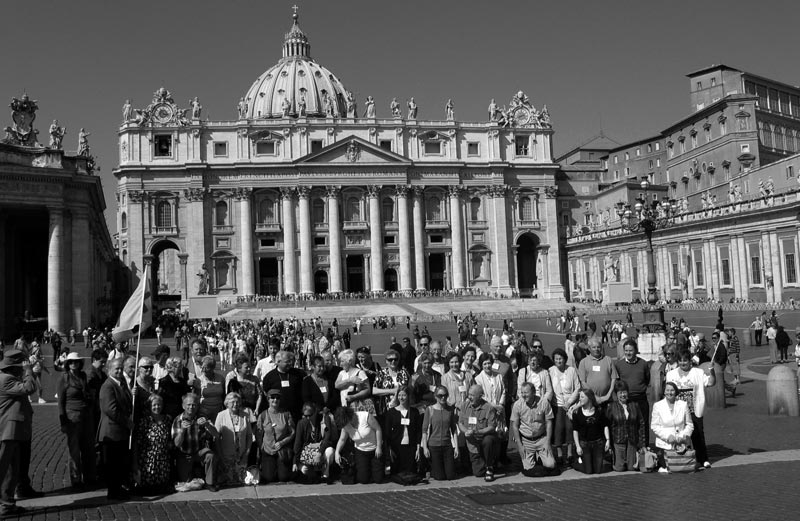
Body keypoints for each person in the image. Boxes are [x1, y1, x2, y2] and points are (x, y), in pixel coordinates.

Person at [0, 350, 37, 517]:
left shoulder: (9, 377)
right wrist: (29, 370)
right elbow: (29, 388)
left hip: (13, 432)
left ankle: (7, 504)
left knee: (12, 470)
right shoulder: (6, 379)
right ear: (15, 367)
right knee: (3, 468)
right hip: (7, 430)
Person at [667, 351, 716, 470]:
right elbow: (668, 391)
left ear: (690, 361)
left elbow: (711, 382)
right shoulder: (671, 374)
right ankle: (681, 459)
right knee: (680, 434)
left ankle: (702, 459)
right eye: (680, 360)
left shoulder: (698, 372)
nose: (683, 363)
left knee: (698, 433)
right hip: (678, 410)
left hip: (694, 409)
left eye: (685, 360)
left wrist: (712, 370)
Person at [56, 352, 96, 489]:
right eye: (72, 362)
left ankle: (90, 477)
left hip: (86, 415)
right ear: (68, 364)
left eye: (77, 361)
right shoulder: (64, 378)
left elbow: (87, 393)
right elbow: (61, 402)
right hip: (72, 416)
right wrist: (63, 422)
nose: (74, 364)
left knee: (88, 448)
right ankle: (76, 479)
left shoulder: (83, 376)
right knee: (74, 450)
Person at [98, 358, 133, 500]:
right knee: (112, 464)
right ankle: (113, 492)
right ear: (109, 370)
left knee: (119, 463)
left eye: (120, 368)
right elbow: (110, 410)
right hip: (111, 432)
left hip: (120, 431)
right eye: (116, 369)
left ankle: (118, 489)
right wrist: (127, 422)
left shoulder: (122, 383)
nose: (119, 371)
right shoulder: (108, 386)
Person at [172, 393, 219, 491]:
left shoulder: (202, 417)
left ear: (197, 406)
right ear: (183, 406)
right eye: (188, 404)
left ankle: (209, 483)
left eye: (194, 404)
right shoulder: (177, 420)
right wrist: (182, 431)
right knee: (186, 482)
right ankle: (195, 472)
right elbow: (177, 444)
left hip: (198, 452)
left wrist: (207, 425)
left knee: (210, 455)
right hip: (184, 454)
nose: (191, 407)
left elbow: (216, 435)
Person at [509, 382, 556, 477]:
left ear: (534, 392)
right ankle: (535, 457)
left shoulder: (544, 402)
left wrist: (547, 442)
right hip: (526, 440)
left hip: (541, 438)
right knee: (529, 469)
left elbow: (549, 422)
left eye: (526, 392)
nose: (523, 395)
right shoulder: (518, 405)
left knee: (551, 465)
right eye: (521, 392)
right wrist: (520, 446)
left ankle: (540, 456)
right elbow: (515, 426)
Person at [132, 394, 173, 494]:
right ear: (150, 406)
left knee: (162, 487)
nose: (157, 407)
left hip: (163, 458)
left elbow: (170, 437)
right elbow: (137, 442)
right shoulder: (144, 421)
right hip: (148, 458)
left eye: (159, 404)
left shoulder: (167, 419)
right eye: (154, 405)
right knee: (149, 488)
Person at [613, 339, 650, 445]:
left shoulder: (643, 363)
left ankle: (644, 448)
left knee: (643, 424)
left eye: (631, 350)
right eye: (626, 350)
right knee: (628, 424)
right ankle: (630, 450)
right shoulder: (619, 365)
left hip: (641, 398)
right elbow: (618, 382)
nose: (628, 353)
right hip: (627, 400)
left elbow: (647, 379)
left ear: (636, 351)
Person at [651, 382, 693, 473]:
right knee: (667, 469)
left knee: (681, 468)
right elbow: (654, 426)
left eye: (672, 390)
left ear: (676, 391)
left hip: (681, 444)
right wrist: (667, 437)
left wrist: (683, 436)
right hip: (665, 444)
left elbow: (689, 425)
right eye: (667, 390)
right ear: (664, 391)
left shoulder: (683, 405)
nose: (670, 393)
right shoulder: (657, 406)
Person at [334, 406, 384, 484]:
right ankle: (367, 470)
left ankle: (375, 469)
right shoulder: (345, 426)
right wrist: (337, 452)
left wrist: (379, 447)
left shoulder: (365, 416)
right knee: (363, 480)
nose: (346, 425)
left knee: (379, 479)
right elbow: (342, 439)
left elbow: (378, 429)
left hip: (375, 449)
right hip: (361, 451)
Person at [459, 385, 500, 481]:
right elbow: (460, 423)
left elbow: (492, 427)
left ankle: (490, 466)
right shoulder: (464, 405)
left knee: (488, 440)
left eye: (472, 395)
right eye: (469, 394)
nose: (469, 397)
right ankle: (484, 463)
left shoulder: (489, 408)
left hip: (484, 439)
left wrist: (478, 432)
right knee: (478, 473)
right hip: (472, 443)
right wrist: (466, 431)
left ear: (480, 396)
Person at [548, 348, 580, 469]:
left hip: (570, 404)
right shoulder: (550, 371)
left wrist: (570, 402)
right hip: (557, 404)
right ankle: (560, 455)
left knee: (570, 427)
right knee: (558, 429)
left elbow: (577, 387)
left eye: (560, 358)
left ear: (565, 359)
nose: (558, 361)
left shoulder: (571, 370)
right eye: (556, 359)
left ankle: (570, 454)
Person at [257, 388, 295, 483]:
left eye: (277, 398)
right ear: (268, 399)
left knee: (283, 478)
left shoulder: (286, 414)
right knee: (269, 478)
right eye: (272, 397)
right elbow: (258, 433)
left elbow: (292, 432)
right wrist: (262, 447)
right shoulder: (262, 415)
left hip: (282, 451)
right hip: (268, 450)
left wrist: (282, 442)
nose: (275, 400)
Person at [605, 381, 646, 472]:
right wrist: (609, 443)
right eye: (620, 393)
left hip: (632, 440)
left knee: (632, 468)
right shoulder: (611, 407)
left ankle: (632, 457)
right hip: (618, 440)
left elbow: (641, 423)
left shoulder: (634, 405)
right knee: (619, 469)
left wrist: (642, 443)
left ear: (628, 392)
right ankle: (614, 459)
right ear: (616, 394)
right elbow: (607, 425)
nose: (623, 395)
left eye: (624, 392)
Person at [215, 392, 254, 484]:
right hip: (226, 457)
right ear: (227, 403)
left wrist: (246, 453)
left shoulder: (245, 415)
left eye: (237, 402)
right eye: (232, 402)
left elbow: (249, 436)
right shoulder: (221, 415)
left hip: (241, 456)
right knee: (228, 483)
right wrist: (221, 456)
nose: (235, 404)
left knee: (242, 482)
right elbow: (216, 437)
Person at [293, 401, 337, 483]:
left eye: (310, 415)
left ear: (315, 412)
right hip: (309, 453)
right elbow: (298, 443)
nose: (308, 418)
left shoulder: (325, 419)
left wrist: (320, 452)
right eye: (305, 416)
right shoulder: (301, 423)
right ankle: (314, 471)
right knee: (304, 471)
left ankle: (325, 474)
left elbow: (327, 438)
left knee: (330, 451)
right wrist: (295, 462)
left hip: (321, 451)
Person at [385, 386, 423, 476]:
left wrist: (418, 447)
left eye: (404, 395)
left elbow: (418, 430)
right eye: (399, 395)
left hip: (411, 447)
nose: (401, 398)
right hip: (396, 448)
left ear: (408, 396)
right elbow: (387, 432)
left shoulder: (414, 412)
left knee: (411, 475)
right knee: (398, 475)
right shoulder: (391, 412)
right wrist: (389, 448)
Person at [571, 388, 610, 475]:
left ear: (589, 398)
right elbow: (575, 431)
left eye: (582, 397)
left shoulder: (599, 410)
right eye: (579, 397)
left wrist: (608, 440)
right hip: (585, 443)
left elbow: (605, 426)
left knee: (598, 471)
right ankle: (577, 462)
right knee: (588, 471)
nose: (580, 399)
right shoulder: (577, 412)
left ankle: (593, 461)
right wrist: (578, 446)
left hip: (598, 442)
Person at [263, 351, 306, 424]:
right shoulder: (269, 377)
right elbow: (266, 394)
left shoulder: (299, 374)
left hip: (296, 413)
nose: (290, 363)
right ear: (278, 362)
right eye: (287, 362)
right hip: (278, 415)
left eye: (290, 361)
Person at [577, 339, 618, 408]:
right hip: (590, 400)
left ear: (601, 348)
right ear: (589, 349)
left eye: (598, 347)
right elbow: (583, 382)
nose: (596, 349)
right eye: (594, 347)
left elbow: (614, 378)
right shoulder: (583, 362)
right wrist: (595, 397)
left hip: (607, 399)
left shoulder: (608, 360)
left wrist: (608, 395)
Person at [372, 349, 409, 421]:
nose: (393, 361)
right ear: (386, 361)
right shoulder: (381, 373)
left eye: (395, 359)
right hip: (386, 409)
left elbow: (408, 389)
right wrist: (393, 391)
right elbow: (374, 391)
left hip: (402, 407)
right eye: (390, 359)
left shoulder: (404, 373)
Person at [335, 349, 375, 414]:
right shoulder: (341, 373)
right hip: (345, 407)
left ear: (350, 361)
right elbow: (336, 385)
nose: (340, 364)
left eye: (342, 361)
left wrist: (353, 397)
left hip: (357, 408)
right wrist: (349, 380)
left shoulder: (360, 373)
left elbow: (367, 390)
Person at [192, 355, 225, 423]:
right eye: (202, 367)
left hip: (218, 411)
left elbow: (223, 395)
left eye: (206, 368)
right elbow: (196, 399)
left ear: (212, 368)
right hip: (204, 412)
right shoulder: (199, 381)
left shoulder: (221, 378)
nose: (203, 370)